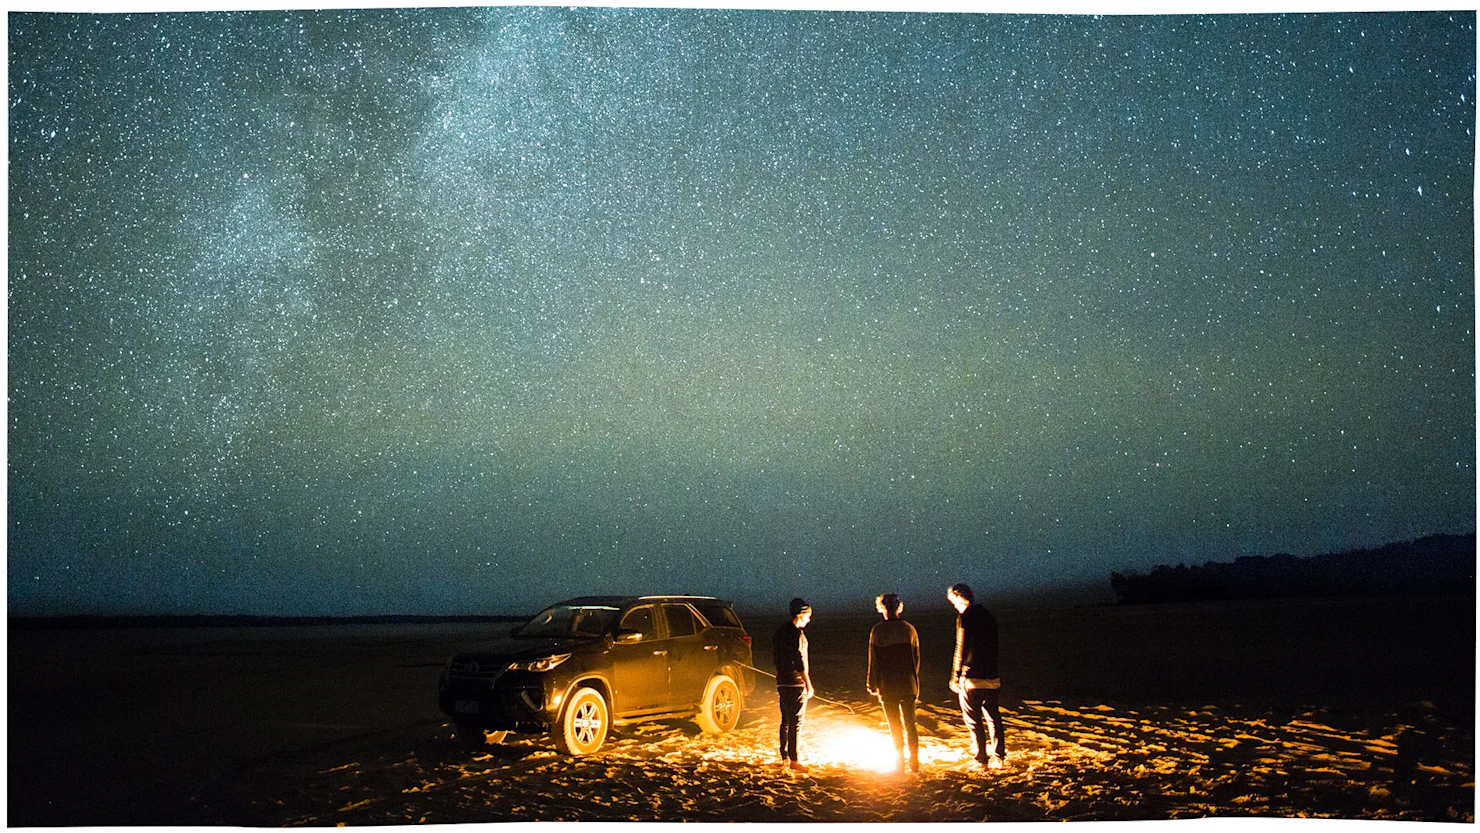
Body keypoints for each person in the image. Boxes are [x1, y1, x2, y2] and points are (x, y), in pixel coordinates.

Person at [947, 582, 1005, 770]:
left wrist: (956, 676)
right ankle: (1000, 757)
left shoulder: (964, 617)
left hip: (971, 677)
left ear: (959, 598)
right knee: (993, 717)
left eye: (953, 601)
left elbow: (960, 647)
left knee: (973, 719)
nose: (953, 605)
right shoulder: (989, 615)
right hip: (992, 676)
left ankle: (981, 759)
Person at [866, 593, 921, 773]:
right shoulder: (909, 629)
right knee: (910, 723)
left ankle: (900, 763)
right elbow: (916, 659)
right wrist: (913, 678)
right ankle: (914, 761)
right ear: (899, 607)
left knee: (895, 725)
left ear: (882, 608)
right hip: (908, 683)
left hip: (887, 684)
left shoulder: (878, 630)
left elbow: (874, 660)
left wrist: (872, 683)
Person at [772, 597, 814, 772]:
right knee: (796, 721)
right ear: (802, 614)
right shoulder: (796, 633)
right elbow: (799, 661)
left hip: (782, 681)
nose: (809, 620)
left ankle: (784, 757)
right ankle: (794, 760)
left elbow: (776, 657)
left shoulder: (780, 631)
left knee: (786, 720)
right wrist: (807, 683)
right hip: (795, 683)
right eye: (808, 616)